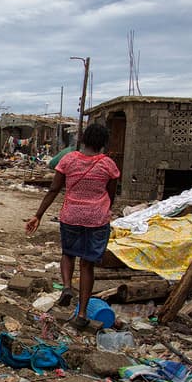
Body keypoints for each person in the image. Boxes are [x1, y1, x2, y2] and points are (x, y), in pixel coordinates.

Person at [24, 123, 120, 329]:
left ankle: (67, 287)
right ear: (103, 143)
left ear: (83, 139)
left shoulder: (69, 160)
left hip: (71, 215)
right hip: (97, 219)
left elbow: (54, 189)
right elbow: (111, 194)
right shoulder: (108, 165)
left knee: (68, 254)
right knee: (87, 264)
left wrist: (38, 215)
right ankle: (82, 314)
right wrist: (101, 208)